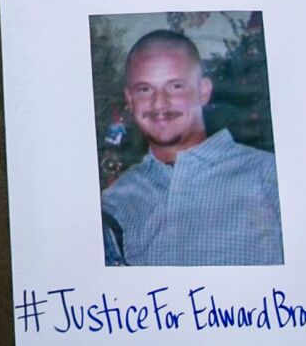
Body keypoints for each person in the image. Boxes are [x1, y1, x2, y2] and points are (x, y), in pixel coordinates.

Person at [99, 29, 284, 267]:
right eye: (145, 89)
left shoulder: (269, 176)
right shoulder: (116, 200)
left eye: (175, 86)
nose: (159, 103)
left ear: (204, 91)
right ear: (130, 99)